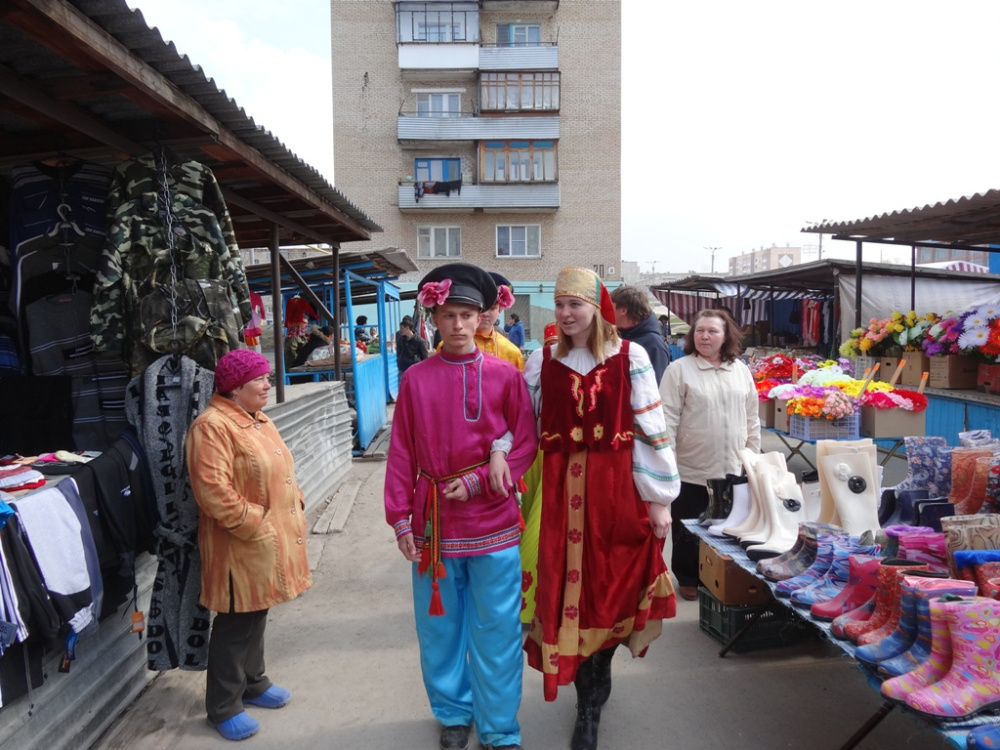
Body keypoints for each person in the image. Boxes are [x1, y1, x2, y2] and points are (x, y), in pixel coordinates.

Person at [520, 267, 680, 750]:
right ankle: (585, 702)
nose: (566, 313)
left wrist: (658, 499)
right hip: (559, 493)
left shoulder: (630, 356)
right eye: (560, 304)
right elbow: (523, 425)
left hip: (614, 491)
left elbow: (650, 427)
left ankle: (595, 690)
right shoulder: (542, 359)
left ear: (597, 308)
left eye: (576, 304)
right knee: (565, 587)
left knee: (610, 586)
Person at [384, 263, 538, 750]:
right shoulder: (415, 380)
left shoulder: (507, 375)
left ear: (482, 317)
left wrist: (476, 481)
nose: (458, 325)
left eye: (466, 315)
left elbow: (525, 444)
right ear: (433, 318)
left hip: (494, 521)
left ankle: (499, 727)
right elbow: (401, 452)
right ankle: (453, 712)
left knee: (498, 631)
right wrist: (399, 519)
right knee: (440, 631)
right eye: (448, 315)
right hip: (435, 524)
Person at [185, 349, 312, 741]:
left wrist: (294, 505)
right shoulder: (211, 426)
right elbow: (212, 491)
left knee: (258, 610)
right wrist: (256, 522)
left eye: (267, 377)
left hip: (268, 539)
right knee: (236, 620)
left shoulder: (258, 419)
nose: (267, 385)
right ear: (235, 388)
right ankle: (223, 706)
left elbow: (281, 472)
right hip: (239, 543)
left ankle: (253, 683)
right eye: (260, 379)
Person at [659, 307, 760, 601]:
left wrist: (752, 456)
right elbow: (667, 418)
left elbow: (752, 417)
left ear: (726, 336)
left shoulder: (740, 370)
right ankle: (688, 577)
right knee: (688, 527)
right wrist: (667, 461)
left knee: (727, 527)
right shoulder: (679, 370)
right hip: (691, 466)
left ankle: (720, 576)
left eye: (712, 331)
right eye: (700, 331)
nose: (705, 336)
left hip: (733, 466)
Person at [443, 271, 524, 371]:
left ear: (500, 310)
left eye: (492, 308)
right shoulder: (449, 347)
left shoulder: (512, 353)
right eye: (481, 308)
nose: (485, 313)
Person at [610, 285, 671, 384]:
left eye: (610, 307)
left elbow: (656, 386)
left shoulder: (654, 345)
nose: (606, 311)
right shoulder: (620, 335)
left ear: (623, 311)